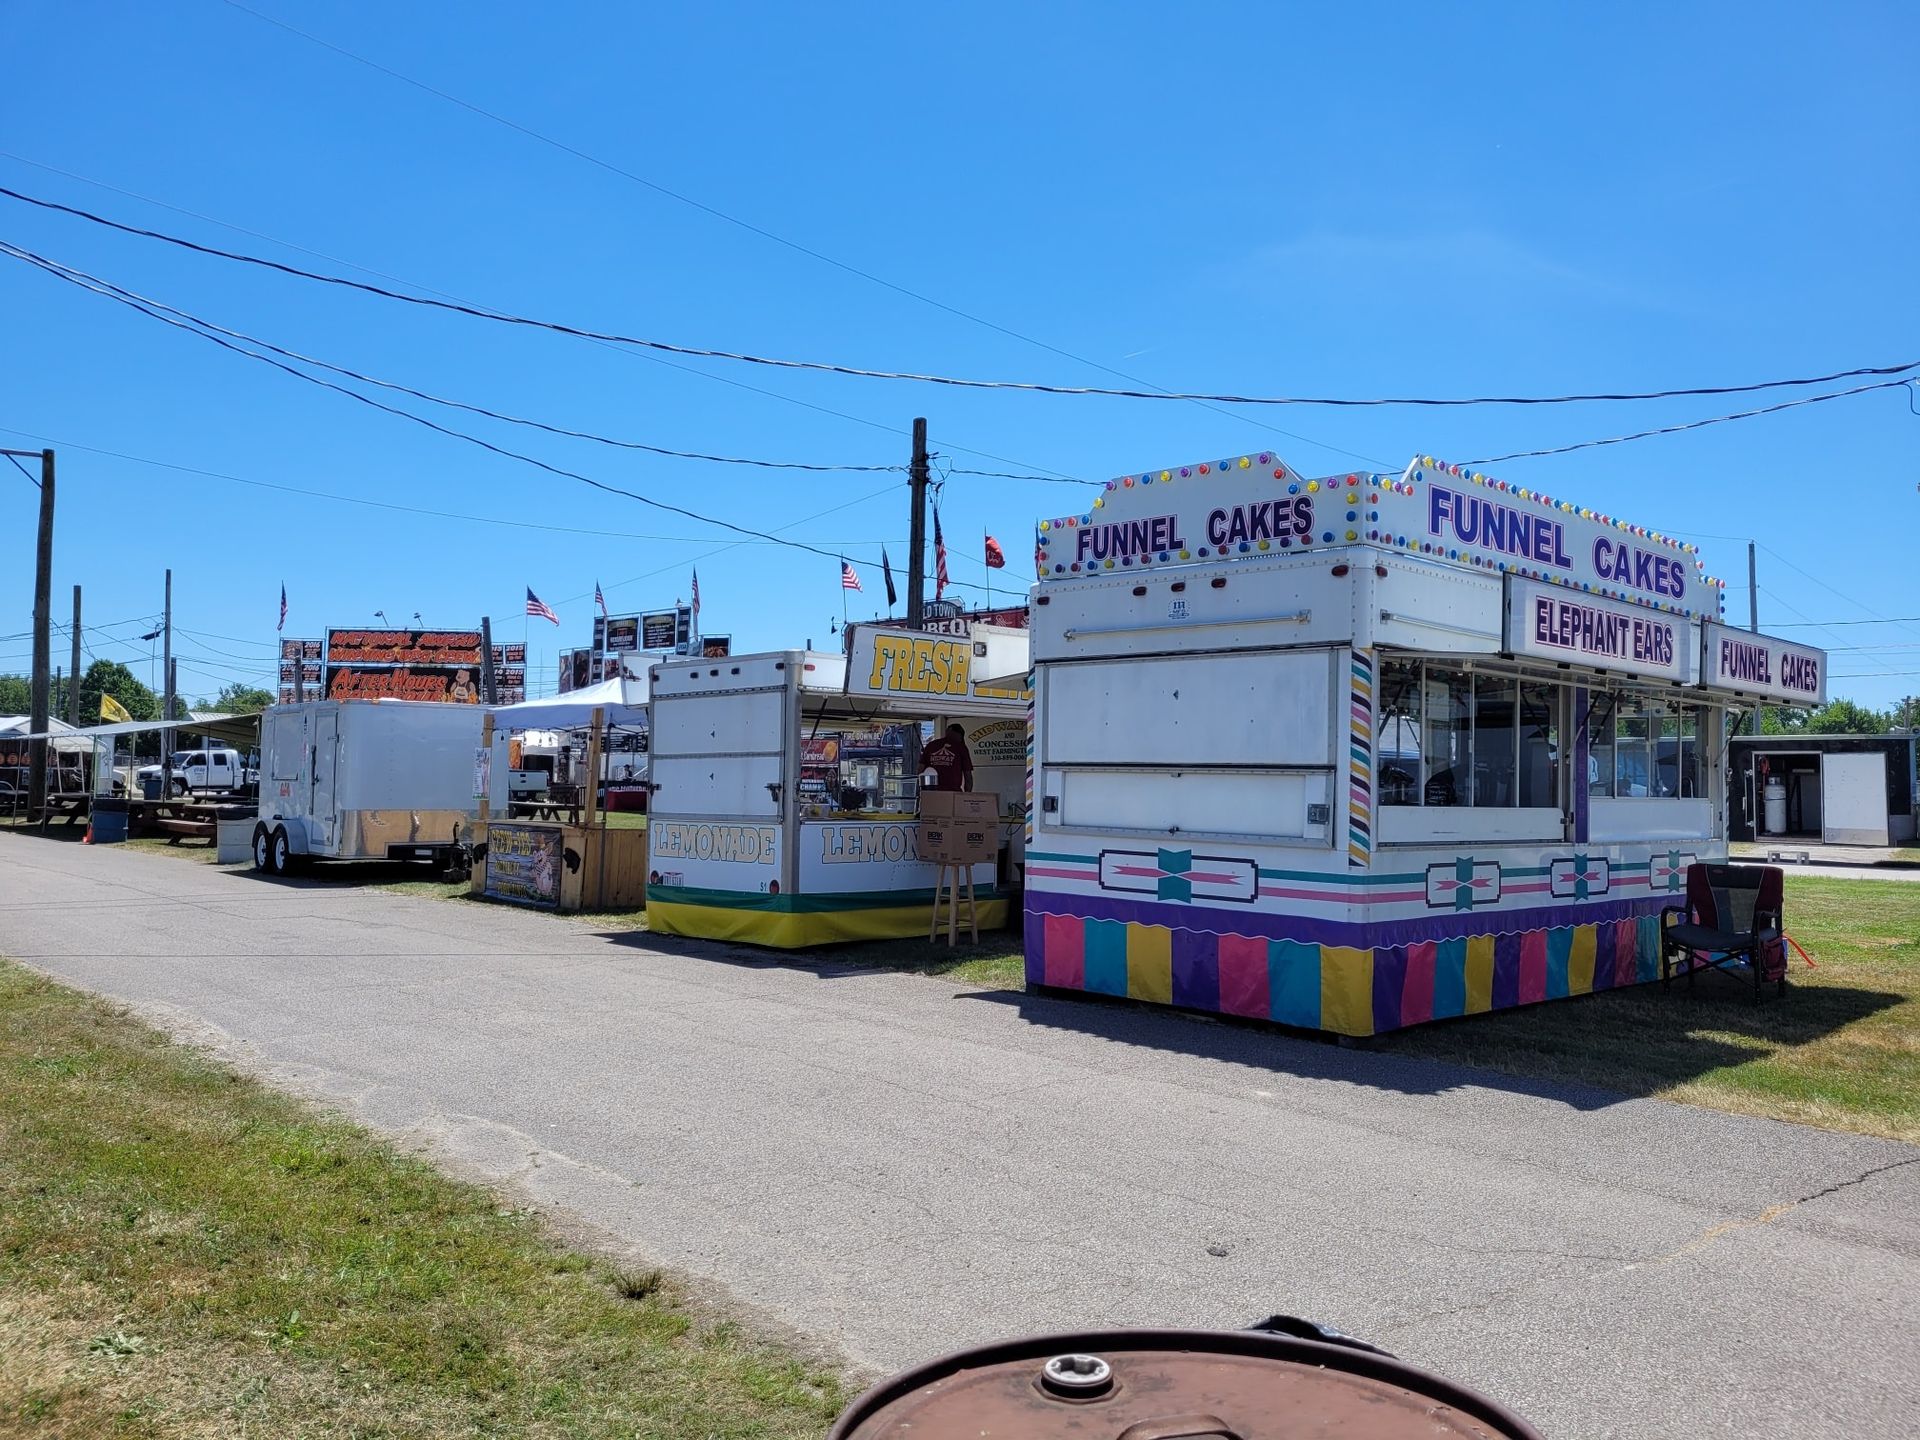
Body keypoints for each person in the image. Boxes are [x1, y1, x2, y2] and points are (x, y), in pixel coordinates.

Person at [920, 723, 973, 793]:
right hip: (952, 793)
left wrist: (922, 791)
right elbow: (967, 774)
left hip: (931, 793)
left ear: (948, 730)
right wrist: (967, 796)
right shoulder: (961, 747)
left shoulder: (931, 745)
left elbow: (920, 769)